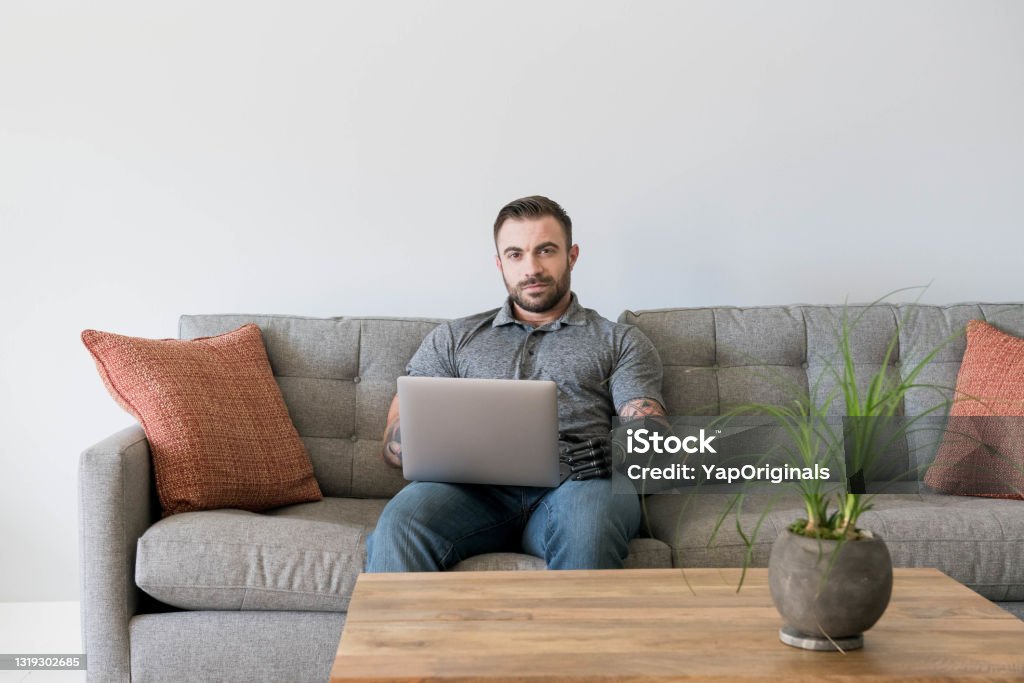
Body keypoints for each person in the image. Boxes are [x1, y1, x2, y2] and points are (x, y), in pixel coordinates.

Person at [365, 195, 667, 571]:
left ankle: (575, 633)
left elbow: (657, 443)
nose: (532, 268)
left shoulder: (619, 340)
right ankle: (407, 634)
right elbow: (392, 442)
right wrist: (411, 446)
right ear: (499, 264)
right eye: (515, 255)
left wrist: (622, 454)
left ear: (571, 256)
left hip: (578, 487)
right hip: (468, 493)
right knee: (402, 522)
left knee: (588, 524)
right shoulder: (453, 338)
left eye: (545, 251)